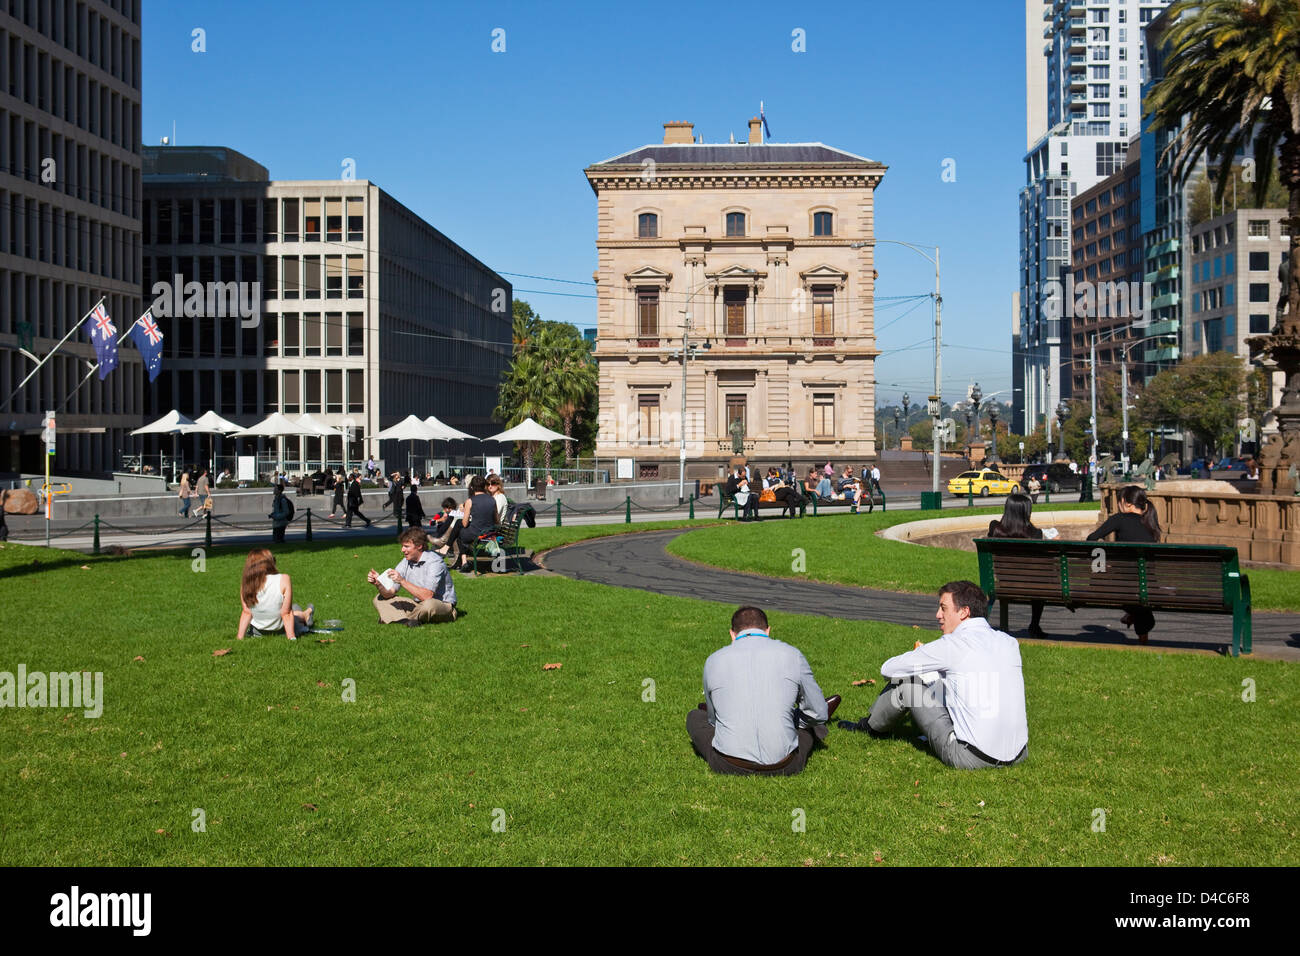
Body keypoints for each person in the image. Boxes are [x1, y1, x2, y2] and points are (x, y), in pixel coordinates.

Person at [838, 581, 1029, 770]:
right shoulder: (1009, 643)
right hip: (1019, 754)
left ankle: (869, 727)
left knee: (908, 684)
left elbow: (888, 669)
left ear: (964, 612)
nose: (938, 615)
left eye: (943, 608)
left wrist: (921, 665)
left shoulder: (952, 645)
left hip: (971, 756)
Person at [687, 606, 839, 776]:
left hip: (728, 764)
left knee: (694, 717)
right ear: (767, 631)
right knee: (810, 723)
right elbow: (818, 714)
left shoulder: (713, 660)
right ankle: (813, 727)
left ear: (732, 634)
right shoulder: (792, 654)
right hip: (785, 764)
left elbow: (713, 721)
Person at [1086, 484, 1161, 644]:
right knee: (1141, 600)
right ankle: (1138, 627)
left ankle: (1134, 616)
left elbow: (1091, 539)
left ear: (1126, 503)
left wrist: (1103, 562)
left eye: (1118, 502)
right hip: (1150, 584)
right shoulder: (1151, 522)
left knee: (1126, 590)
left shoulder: (1119, 518)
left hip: (1123, 584)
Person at [986, 493, 1048, 640]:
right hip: (1030, 586)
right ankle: (1034, 625)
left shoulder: (995, 528)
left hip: (1003, 582)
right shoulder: (1035, 534)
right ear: (1027, 512)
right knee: (1041, 585)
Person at [368, 527, 458, 626]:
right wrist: (379, 584)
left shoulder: (435, 562)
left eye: (406, 546)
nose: (402, 550)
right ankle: (407, 620)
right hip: (419, 604)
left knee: (429, 605)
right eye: (402, 546)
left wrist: (402, 581)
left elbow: (427, 596)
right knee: (379, 598)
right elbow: (390, 593)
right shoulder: (405, 562)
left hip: (441, 605)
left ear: (419, 546)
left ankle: (396, 617)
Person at [236, 548, 314, 641]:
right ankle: (306, 614)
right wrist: (291, 638)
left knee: (293, 612)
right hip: (281, 631)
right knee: (293, 614)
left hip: (257, 633)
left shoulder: (246, 584)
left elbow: (247, 612)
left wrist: (239, 638)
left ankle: (304, 613)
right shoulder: (284, 579)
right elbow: (286, 613)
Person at [444, 474, 497, 569]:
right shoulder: (492, 500)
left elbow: (465, 524)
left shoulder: (470, 501)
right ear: (484, 486)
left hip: (477, 534)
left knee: (459, 530)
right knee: (459, 526)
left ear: (472, 487)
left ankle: (459, 558)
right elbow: (496, 519)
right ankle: (460, 559)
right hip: (490, 533)